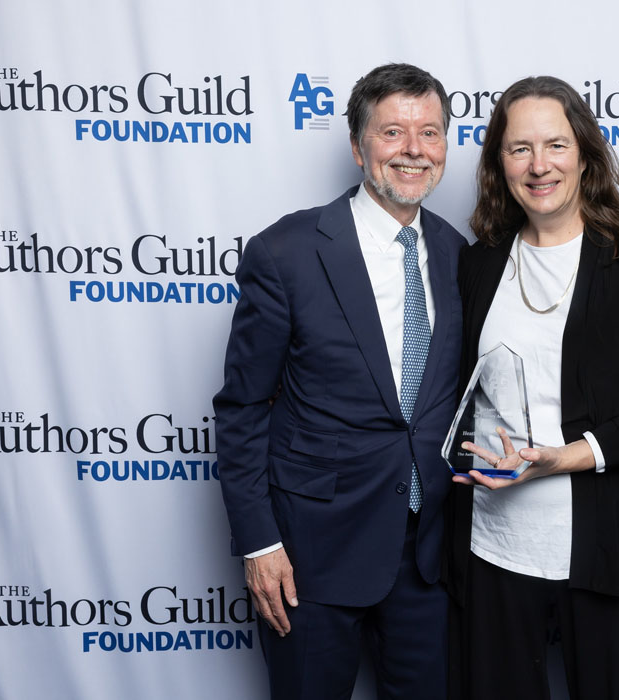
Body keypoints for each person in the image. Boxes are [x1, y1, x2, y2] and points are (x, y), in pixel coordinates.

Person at [445, 76, 619, 699]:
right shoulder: (479, 260)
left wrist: (569, 456)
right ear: (497, 163)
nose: (539, 166)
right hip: (494, 549)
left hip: (613, 547)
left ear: (585, 151)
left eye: (555, 145)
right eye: (519, 149)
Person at [213, 63, 465, 700]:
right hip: (310, 555)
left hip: (429, 557)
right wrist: (259, 543)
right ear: (358, 146)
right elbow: (242, 408)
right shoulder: (286, 253)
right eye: (393, 132)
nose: (414, 149)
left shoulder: (463, 256)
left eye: (430, 133)